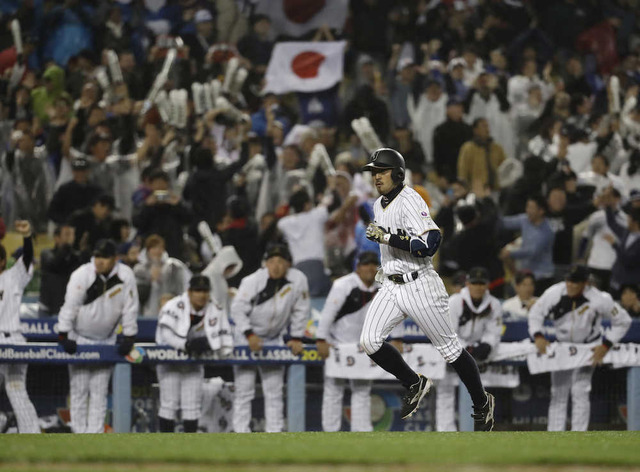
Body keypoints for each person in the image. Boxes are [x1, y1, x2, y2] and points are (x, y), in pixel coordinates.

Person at [360, 148, 495, 431]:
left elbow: (431, 244)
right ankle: (414, 382)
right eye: (374, 172)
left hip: (419, 284)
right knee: (370, 341)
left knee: (450, 350)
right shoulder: (377, 204)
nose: (376, 177)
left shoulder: (411, 200)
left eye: (381, 171)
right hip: (392, 286)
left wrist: (387, 237)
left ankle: (482, 403)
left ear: (397, 174)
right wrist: (388, 252)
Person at [529, 265, 632, 431]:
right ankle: (554, 437)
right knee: (558, 393)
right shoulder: (554, 292)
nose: (570, 284)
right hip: (563, 348)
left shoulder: (599, 298)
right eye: (568, 280)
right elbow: (535, 314)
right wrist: (538, 336)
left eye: (575, 281)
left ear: (585, 283)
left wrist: (606, 345)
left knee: (580, 392)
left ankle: (578, 436)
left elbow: (623, 321)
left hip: (587, 349)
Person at [57, 239, 139, 434]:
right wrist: (63, 333)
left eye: (104, 257)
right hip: (80, 337)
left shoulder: (125, 275)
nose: (99, 261)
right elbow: (70, 305)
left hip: (107, 339)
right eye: (97, 256)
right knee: (79, 390)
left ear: (115, 259)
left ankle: (94, 435)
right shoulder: (81, 274)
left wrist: (129, 336)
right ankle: (78, 434)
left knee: (99, 391)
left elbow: (130, 308)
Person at [230, 244, 310, 433]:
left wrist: (296, 337)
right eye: (271, 261)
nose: (276, 266)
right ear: (265, 263)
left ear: (288, 264)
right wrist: (249, 334)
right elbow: (237, 309)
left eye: (280, 261)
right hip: (246, 336)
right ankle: (240, 433)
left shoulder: (298, 280)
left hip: (274, 337)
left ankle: (274, 433)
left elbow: (301, 310)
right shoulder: (252, 281)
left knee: (274, 390)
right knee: (244, 389)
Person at [155, 275, 233, 433]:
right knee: (169, 404)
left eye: (205, 291)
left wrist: (211, 345)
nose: (201, 295)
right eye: (197, 290)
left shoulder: (215, 309)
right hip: (170, 361)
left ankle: (189, 448)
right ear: (189, 292)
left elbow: (224, 338)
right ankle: (164, 446)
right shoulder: (173, 305)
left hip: (194, 363)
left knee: (191, 406)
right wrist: (186, 345)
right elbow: (165, 335)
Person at [315, 251, 381, 432]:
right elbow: (328, 314)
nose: (370, 268)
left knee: (362, 390)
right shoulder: (343, 284)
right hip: (338, 344)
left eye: (374, 264)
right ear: (358, 267)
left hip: (362, 347)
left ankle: (362, 431)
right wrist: (321, 339)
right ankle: (330, 432)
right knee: (333, 390)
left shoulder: (382, 286)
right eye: (366, 264)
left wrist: (397, 338)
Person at [436, 267, 503, 431]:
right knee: (445, 390)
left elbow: (494, 331)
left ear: (487, 285)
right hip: (452, 349)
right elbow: (447, 332)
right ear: (468, 283)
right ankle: (445, 432)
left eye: (482, 283)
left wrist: (487, 344)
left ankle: (478, 429)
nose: (478, 287)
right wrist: (466, 348)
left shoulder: (494, 304)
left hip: (478, 351)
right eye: (475, 283)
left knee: (478, 391)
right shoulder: (455, 301)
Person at [0, 221, 40, 433]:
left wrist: (27, 237)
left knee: (15, 389)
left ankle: (31, 433)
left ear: (3, 261)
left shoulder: (14, 276)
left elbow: (27, 256)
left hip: (12, 339)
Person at [500, 195, 555, 294]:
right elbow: (504, 223)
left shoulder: (547, 230)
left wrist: (510, 253)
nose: (528, 211)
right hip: (526, 275)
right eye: (527, 207)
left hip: (542, 277)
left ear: (541, 211)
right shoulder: (525, 220)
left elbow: (532, 251)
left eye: (531, 208)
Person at [134, 235, 191, 317]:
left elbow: (181, 289)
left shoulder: (173, 267)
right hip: (147, 312)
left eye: (160, 248)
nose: (157, 251)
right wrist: (149, 277)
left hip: (170, 311)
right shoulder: (139, 270)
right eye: (153, 248)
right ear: (148, 250)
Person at [39, 224, 82, 316]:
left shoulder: (76, 257)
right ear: (57, 238)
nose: (71, 238)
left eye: (72, 235)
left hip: (66, 307)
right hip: (47, 307)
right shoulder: (46, 253)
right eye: (67, 234)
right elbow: (55, 265)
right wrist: (66, 247)